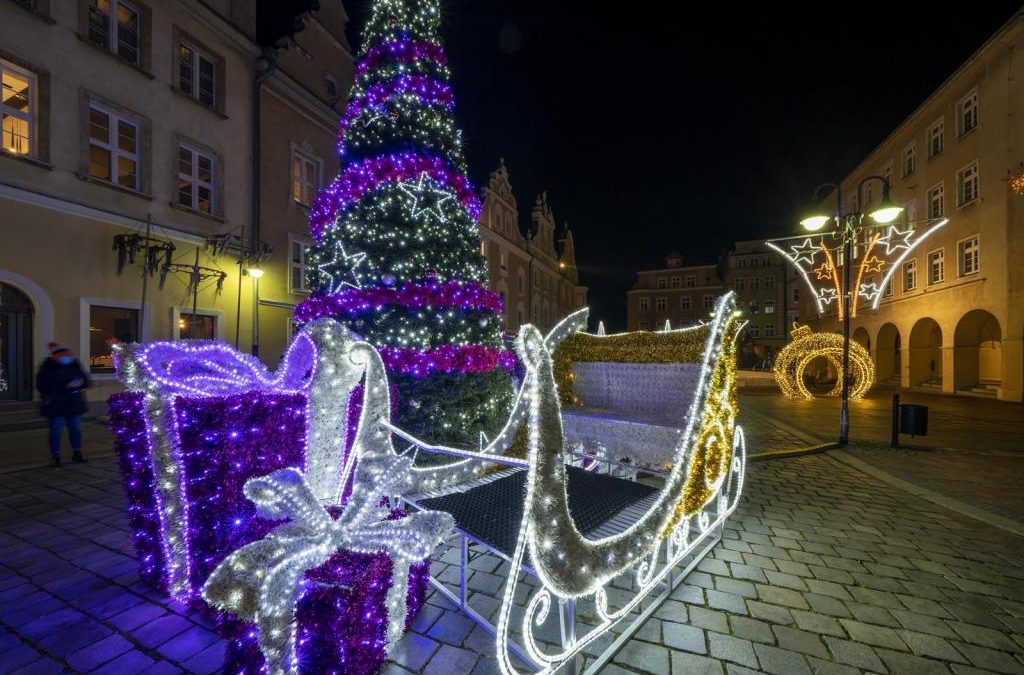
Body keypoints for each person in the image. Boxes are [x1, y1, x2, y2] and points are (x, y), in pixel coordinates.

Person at [36, 342, 91, 467]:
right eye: (63, 354)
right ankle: (55, 455)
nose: (66, 356)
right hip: (56, 404)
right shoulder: (47, 367)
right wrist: (65, 386)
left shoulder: (74, 364)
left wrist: (81, 383)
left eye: (67, 354)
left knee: (76, 429)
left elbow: (87, 381)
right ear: (55, 356)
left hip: (74, 403)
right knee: (55, 430)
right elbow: (41, 386)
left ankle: (77, 452)